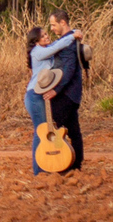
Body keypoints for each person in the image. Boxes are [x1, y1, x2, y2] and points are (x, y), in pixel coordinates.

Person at [24, 23, 80, 174]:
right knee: (41, 130)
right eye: (42, 36)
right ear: (36, 41)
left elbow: (55, 44)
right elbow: (56, 47)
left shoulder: (44, 50)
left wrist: (72, 32)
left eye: (46, 34)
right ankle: (39, 170)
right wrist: (73, 36)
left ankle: (51, 164)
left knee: (47, 129)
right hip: (34, 96)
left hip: (40, 96)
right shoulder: (37, 51)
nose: (46, 36)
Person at [42, 9, 84, 172]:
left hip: (65, 94)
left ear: (63, 23)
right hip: (73, 93)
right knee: (73, 130)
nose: (52, 28)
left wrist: (56, 90)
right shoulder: (70, 39)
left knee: (56, 129)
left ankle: (60, 162)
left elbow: (69, 69)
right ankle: (75, 165)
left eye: (53, 25)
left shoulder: (68, 42)